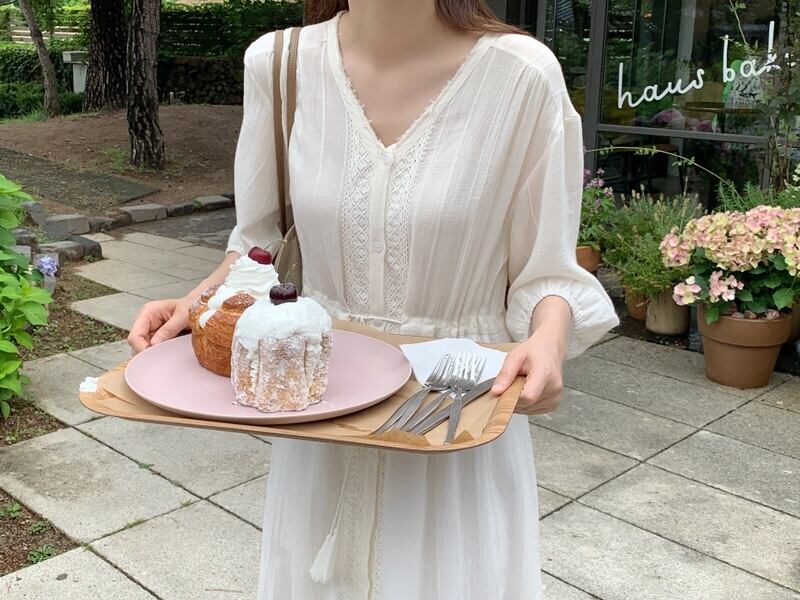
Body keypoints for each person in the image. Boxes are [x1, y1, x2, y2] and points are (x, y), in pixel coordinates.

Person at [128, 1, 618, 597]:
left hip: (455, 414)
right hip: (321, 414)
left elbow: (547, 270)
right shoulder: (281, 65)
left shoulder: (521, 75)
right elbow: (257, 246)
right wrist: (197, 302)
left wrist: (549, 340)